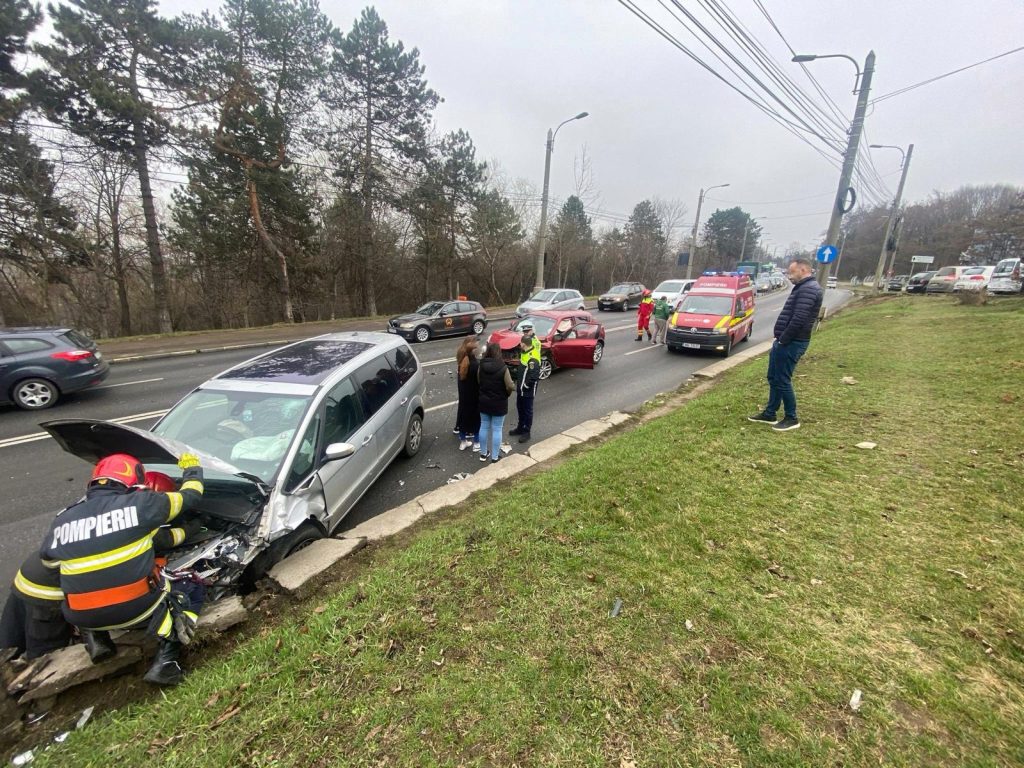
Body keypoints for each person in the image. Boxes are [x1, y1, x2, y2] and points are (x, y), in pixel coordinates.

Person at [40, 452, 206, 686]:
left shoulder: (62, 520)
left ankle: (96, 639)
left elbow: (50, 563)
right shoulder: (142, 505)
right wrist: (193, 470)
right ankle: (167, 661)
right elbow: (190, 496)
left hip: (80, 616)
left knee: (81, 584)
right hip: (135, 609)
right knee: (191, 586)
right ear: (134, 482)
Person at [748, 258, 824, 431]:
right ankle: (770, 413)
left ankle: (791, 417)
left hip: (792, 342)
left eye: (792, 272)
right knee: (773, 377)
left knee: (783, 380)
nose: (789, 276)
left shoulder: (809, 290)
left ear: (803, 270)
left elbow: (798, 318)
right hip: (785, 341)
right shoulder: (803, 288)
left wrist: (783, 339)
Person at [476, 341, 514, 463]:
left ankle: (483, 454)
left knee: (483, 426)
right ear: (499, 352)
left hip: (483, 401)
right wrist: (506, 394)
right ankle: (495, 457)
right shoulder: (503, 367)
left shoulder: (481, 365)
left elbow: (478, 381)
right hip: (499, 402)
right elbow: (509, 386)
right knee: (497, 429)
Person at [509, 334, 541, 443]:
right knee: (520, 408)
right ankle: (520, 428)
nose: (519, 345)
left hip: (527, 391)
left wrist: (525, 387)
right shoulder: (525, 352)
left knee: (527, 411)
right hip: (521, 389)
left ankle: (527, 432)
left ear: (523, 344)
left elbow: (533, 377)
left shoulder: (533, 358)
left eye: (520, 343)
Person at [455, 336, 481, 451]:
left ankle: (463, 442)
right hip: (474, 396)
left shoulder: (461, 360)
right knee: (476, 420)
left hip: (463, 396)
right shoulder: (475, 365)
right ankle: (476, 443)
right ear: (473, 350)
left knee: (463, 418)